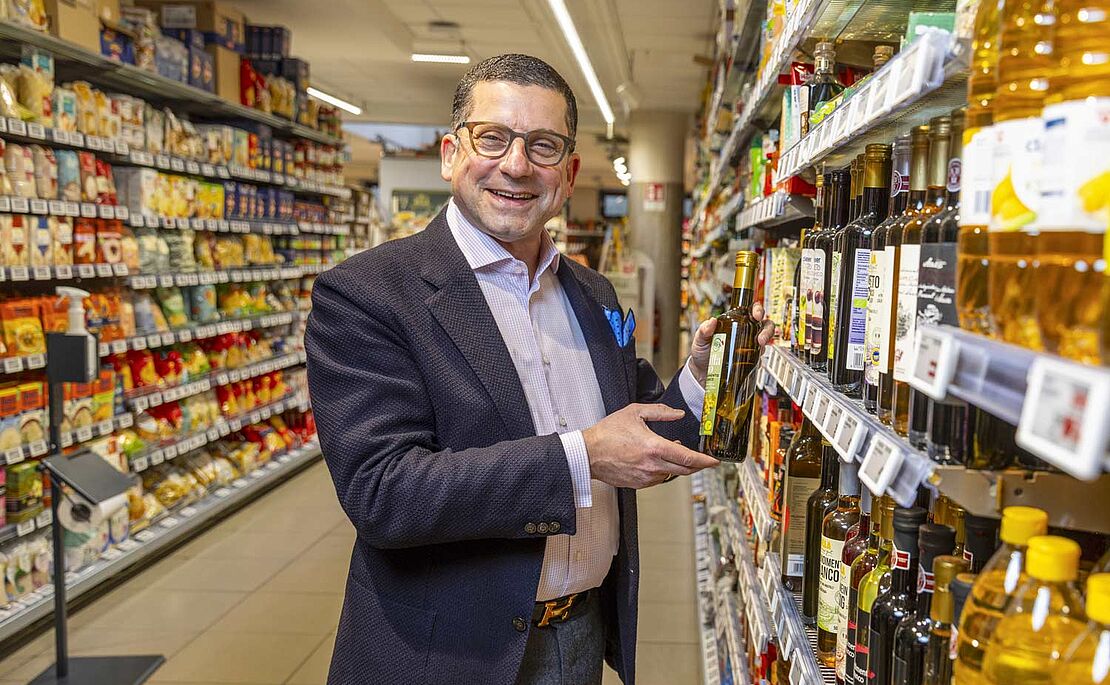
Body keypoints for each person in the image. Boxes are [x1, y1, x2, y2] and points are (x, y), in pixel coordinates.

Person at [305, 53, 773, 685]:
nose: (517, 165)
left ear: (570, 171)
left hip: (579, 637)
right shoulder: (369, 294)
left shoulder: (593, 295)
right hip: (449, 651)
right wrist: (580, 458)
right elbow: (384, 492)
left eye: (543, 146)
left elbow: (645, 431)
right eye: (492, 138)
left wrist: (699, 378)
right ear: (450, 154)